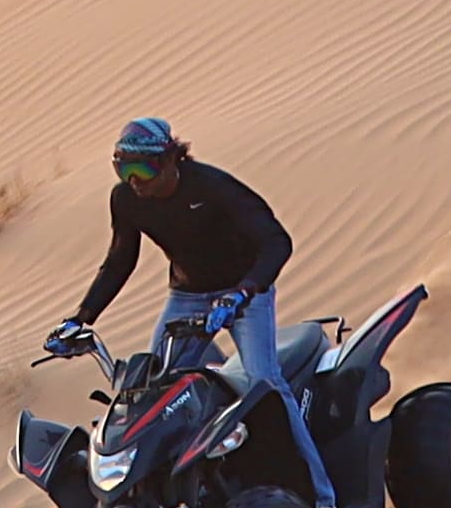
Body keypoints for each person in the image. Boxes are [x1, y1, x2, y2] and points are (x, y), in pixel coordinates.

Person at [50, 116, 293, 380]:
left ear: (169, 160)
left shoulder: (212, 186)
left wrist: (244, 291)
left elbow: (277, 242)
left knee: (264, 381)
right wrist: (79, 318)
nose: (134, 180)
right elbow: (120, 261)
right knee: (154, 384)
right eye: (123, 170)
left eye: (143, 170)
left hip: (243, 295)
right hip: (187, 296)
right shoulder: (126, 200)